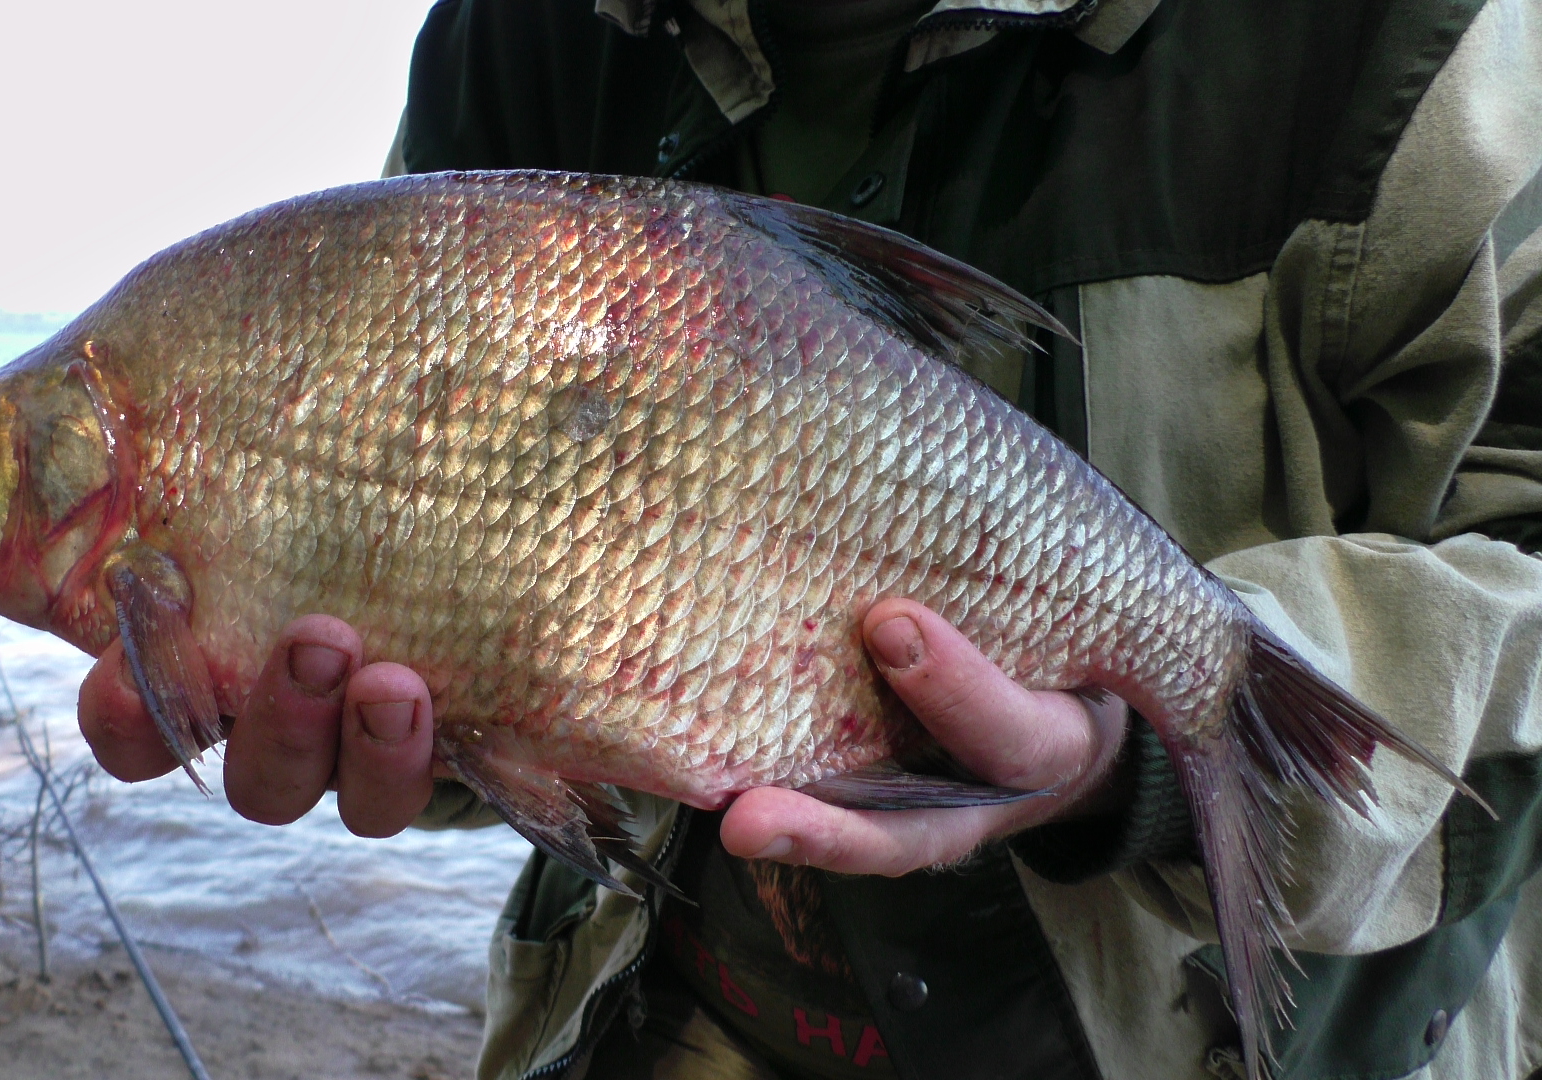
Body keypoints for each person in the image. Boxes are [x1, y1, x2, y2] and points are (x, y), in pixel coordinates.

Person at [79, 1, 1542, 1077]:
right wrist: (424, 730)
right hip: (660, 1018)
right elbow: (491, 641)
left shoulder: (1409, 43)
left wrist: (1143, 755)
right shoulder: (514, 40)